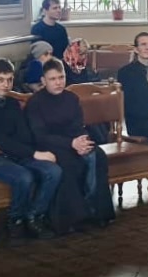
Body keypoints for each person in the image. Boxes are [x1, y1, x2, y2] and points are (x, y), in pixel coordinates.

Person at [0, 59, 60, 239]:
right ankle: (15, 221)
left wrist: (2, 146)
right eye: (0, 80)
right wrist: (29, 152)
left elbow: (24, 136)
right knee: (24, 177)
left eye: (9, 80)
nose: (6, 84)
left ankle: (34, 216)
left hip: (14, 153)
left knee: (53, 171)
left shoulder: (12, 104)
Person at [26, 59, 116, 230]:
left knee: (97, 155)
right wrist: (71, 143)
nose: (58, 82)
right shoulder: (35, 103)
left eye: (61, 77)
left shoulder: (71, 98)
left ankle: (96, 210)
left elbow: (78, 126)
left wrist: (82, 141)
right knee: (70, 163)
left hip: (74, 141)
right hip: (50, 146)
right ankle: (75, 218)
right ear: (43, 81)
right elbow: (40, 136)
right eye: (53, 79)